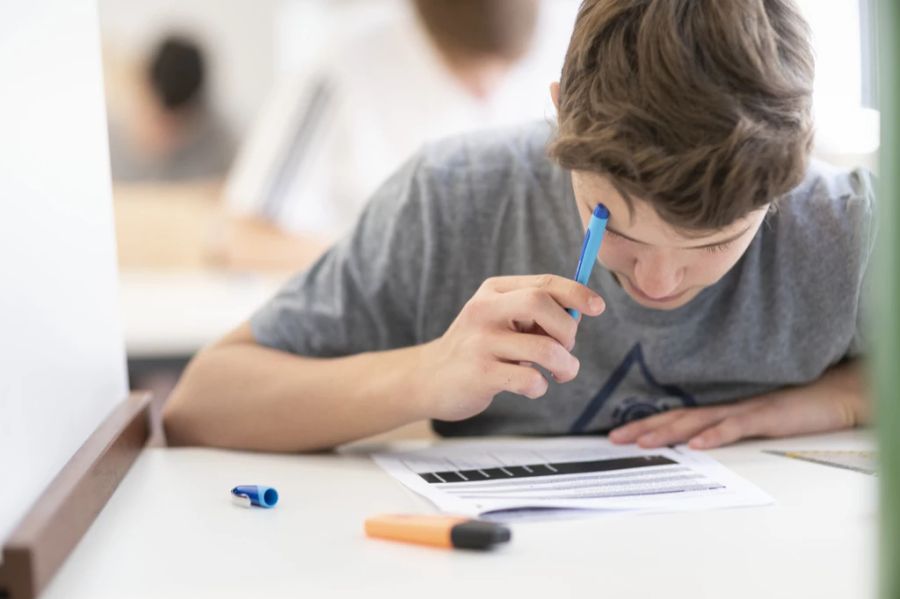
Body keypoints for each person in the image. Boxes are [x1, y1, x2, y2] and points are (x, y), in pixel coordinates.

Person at [164, 0, 875, 453]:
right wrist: (424, 374)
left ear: (795, 162)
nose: (658, 280)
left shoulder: (848, 227)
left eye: (716, 241)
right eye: (612, 223)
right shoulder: (453, 196)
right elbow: (204, 402)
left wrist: (843, 399)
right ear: (562, 113)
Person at [219, 0, 578, 269]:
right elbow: (242, 239)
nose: (488, 88)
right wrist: (393, 265)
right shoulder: (339, 71)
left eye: (506, 69)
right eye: (463, 65)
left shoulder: (546, 56)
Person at [107, 35, 234, 182]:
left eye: (174, 126)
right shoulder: (106, 138)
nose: (163, 134)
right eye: (157, 119)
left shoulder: (221, 144)